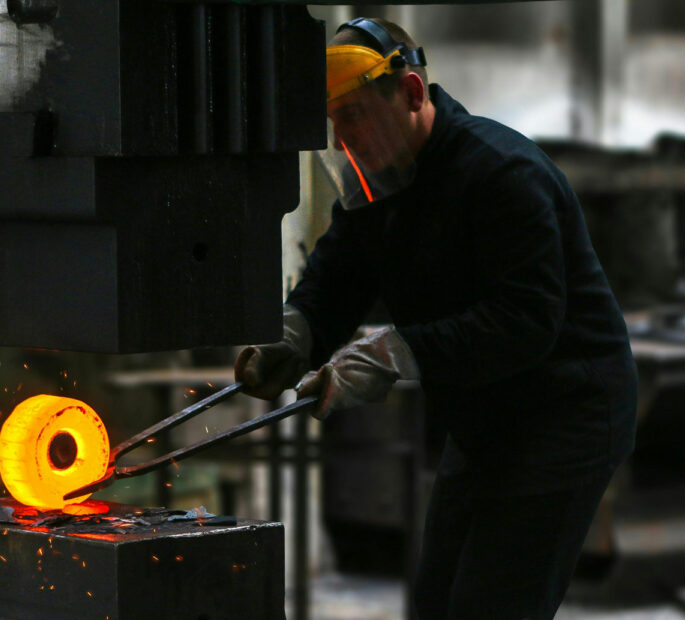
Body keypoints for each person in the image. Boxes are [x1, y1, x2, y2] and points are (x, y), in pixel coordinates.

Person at [235, 17, 638, 619]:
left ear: (413, 94)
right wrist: (296, 333)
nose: (345, 139)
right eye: (334, 122)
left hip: (565, 412)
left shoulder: (502, 173)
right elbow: (339, 274)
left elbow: (525, 322)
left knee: (492, 606)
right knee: (435, 605)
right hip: (486, 417)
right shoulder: (377, 182)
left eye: (356, 115)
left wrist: (391, 353)